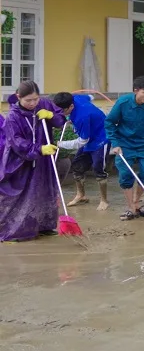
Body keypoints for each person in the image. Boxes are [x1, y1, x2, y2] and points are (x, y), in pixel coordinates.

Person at [0, 81, 66, 241]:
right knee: (21, 193)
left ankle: (43, 225)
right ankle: (14, 230)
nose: (32, 103)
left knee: (44, 189)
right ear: (18, 97)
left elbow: (60, 121)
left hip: (43, 161)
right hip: (21, 160)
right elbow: (16, 142)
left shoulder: (43, 104)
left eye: (35, 99)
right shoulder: (13, 117)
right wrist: (39, 149)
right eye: (28, 100)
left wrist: (52, 115)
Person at [105, 76, 144, 222]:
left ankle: (136, 202)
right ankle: (131, 207)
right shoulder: (123, 103)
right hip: (125, 143)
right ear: (136, 91)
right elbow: (109, 123)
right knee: (126, 173)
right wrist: (115, 143)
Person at [52, 92, 112, 211]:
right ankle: (81, 195)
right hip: (88, 135)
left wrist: (61, 144)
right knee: (77, 166)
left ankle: (104, 200)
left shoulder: (82, 117)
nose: (60, 114)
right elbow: (91, 96)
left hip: (101, 138)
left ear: (71, 107)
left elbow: (83, 141)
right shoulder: (75, 98)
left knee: (98, 168)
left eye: (62, 111)